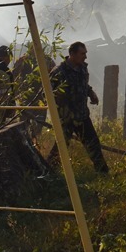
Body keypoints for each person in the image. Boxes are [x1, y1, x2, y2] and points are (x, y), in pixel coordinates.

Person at [47, 41, 108, 174]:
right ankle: (49, 174)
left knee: (93, 144)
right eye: (82, 54)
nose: (85, 56)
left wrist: (91, 93)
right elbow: (48, 94)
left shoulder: (82, 68)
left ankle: (103, 173)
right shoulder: (59, 72)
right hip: (66, 118)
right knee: (61, 147)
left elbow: (84, 85)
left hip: (82, 116)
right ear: (72, 54)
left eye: (85, 53)